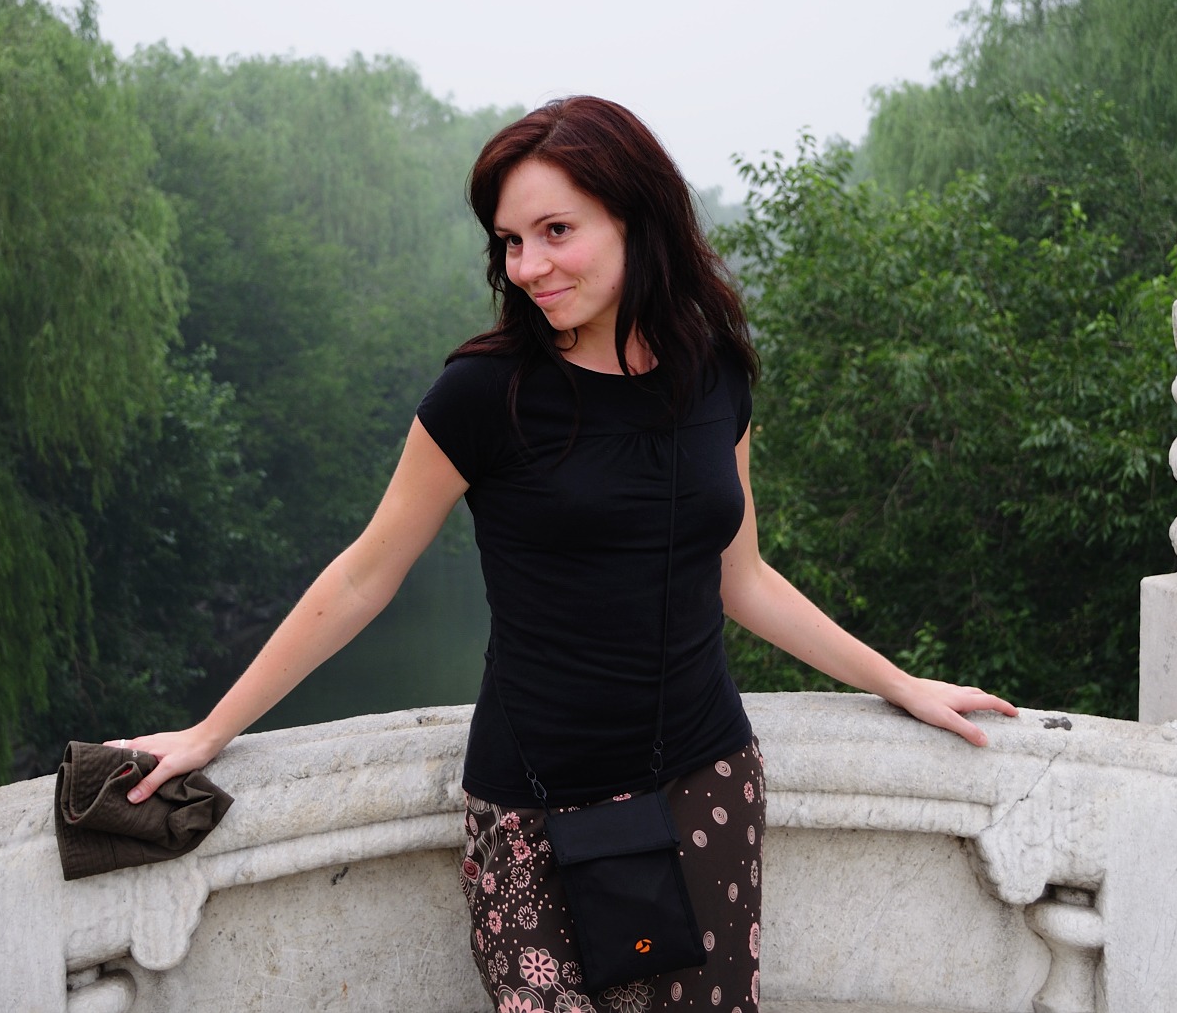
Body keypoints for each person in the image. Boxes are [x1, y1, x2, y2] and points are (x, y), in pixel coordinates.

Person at [123, 96, 1016, 1012]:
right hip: (531, 812)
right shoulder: (483, 394)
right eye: (512, 241)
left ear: (638, 220)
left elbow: (741, 578)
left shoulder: (713, 374)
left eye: (557, 231)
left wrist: (901, 684)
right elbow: (362, 576)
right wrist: (210, 731)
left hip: (703, 785)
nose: (529, 266)